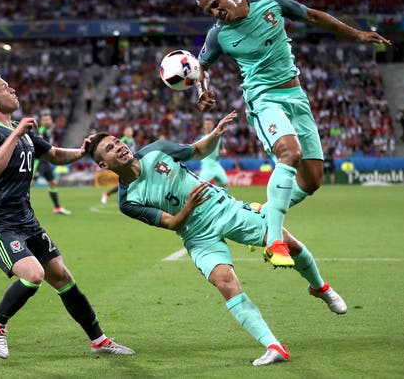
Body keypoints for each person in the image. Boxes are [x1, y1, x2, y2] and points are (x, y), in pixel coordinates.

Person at [84, 111, 346, 367]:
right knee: (225, 283)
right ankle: (274, 346)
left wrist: (215, 134)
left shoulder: (157, 150)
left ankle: (320, 288)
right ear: (104, 165)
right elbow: (172, 223)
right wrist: (188, 206)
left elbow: (197, 150)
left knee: (289, 245)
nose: (118, 146)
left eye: (117, 141)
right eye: (109, 149)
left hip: (223, 208)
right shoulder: (128, 200)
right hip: (197, 235)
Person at [192, 0, 392, 267]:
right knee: (290, 153)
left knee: (312, 181)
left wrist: (358, 34)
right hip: (263, 98)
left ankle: (263, 214)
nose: (215, 12)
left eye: (215, 4)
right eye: (208, 10)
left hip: (296, 95)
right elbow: (200, 66)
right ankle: (274, 240)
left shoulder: (267, 2)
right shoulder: (218, 35)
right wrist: (203, 90)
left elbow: (312, 16)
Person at [0, 71, 134, 359]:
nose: (13, 90)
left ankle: (99, 341)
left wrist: (82, 151)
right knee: (34, 275)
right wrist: (17, 134)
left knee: (63, 277)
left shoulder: (23, 130)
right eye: (5, 88)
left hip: (26, 220)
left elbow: (55, 155)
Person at [32, 113, 71, 215]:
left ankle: (57, 207)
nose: (46, 121)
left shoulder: (50, 131)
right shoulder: (41, 132)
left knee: (53, 183)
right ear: (41, 122)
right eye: (44, 120)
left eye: (48, 119)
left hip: (46, 162)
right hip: (39, 162)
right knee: (28, 184)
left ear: (51, 121)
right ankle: (14, 207)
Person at [101, 125, 136, 205]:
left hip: (130, 163)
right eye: (128, 131)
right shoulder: (123, 140)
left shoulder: (132, 140)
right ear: (124, 132)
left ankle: (108, 194)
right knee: (128, 181)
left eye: (130, 131)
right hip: (124, 165)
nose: (129, 132)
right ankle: (110, 195)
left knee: (129, 182)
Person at [197, 117, 229, 190]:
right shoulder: (200, 138)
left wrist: (223, 151)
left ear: (213, 125)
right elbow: (195, 148)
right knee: (201, 185)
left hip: (216, 164)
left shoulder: (218, 137)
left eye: (209, 124)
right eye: (206, 124)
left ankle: (223, 200)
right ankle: (202, 200)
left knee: (225, 183)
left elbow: (222, 149)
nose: (208, 125)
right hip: (206, 164)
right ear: (204, 126)